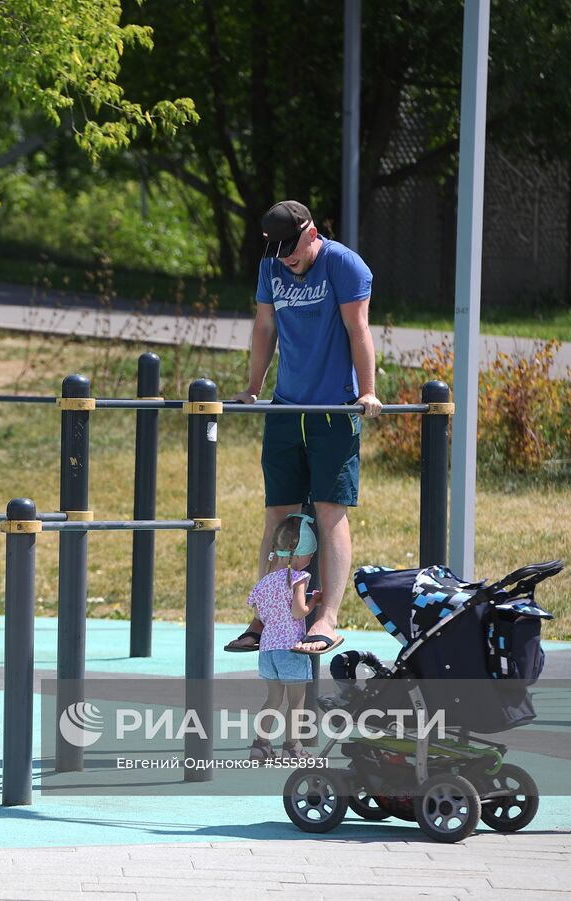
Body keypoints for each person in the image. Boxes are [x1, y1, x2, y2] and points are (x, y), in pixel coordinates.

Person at [227, 200, 381, 657]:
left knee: (330, 511)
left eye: (292, 251)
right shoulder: (271, 265)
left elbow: (359, 329)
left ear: (312, 233)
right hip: (285, 410)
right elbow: (264, 326)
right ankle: (267, 615)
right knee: (279, 512)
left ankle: (327, 619)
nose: (287, 260)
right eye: (279, 253)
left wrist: (367, 391)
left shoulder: (344, 265)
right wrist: (253, 389)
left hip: (334, 409)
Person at [246, 513, 320, 760]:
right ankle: (293, 746)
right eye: (310, 554)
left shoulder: (265, 581)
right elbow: (299, 612)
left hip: (268, 649)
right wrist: (314, 601)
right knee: (296, 702)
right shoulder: (298, 578)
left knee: (273, 699)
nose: (311, 559)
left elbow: (259, 613)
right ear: (298, 554)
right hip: (291, 648)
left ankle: (260, 745)